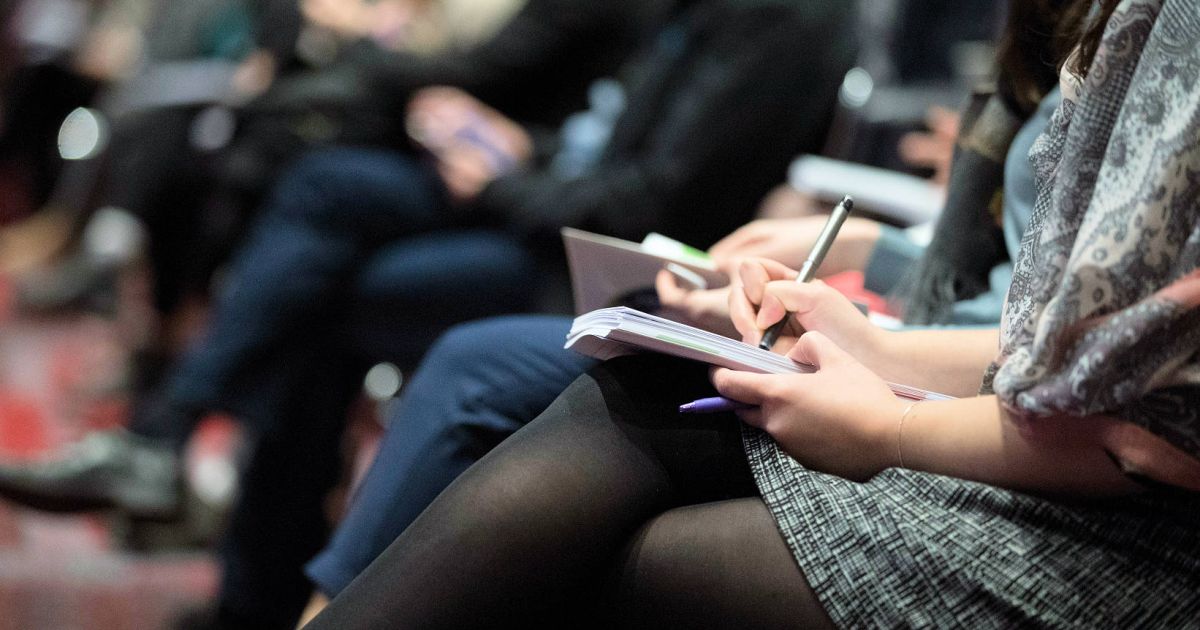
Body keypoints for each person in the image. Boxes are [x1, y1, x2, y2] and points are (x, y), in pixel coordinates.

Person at [305, 0, 1200, 626]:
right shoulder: (1101, 25)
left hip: (1125, 536)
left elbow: (1135, 421)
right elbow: (1044, 339)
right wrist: (861, 331)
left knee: (580, 512)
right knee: (615, 385)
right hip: (992, 392)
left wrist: (888, 417)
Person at [0, 1, 858, 627]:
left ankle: (254, 571)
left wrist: (504, 178)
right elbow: (599, 141)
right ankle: (211, 513)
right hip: (552, 208)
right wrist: (515, 150)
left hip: (614, 269)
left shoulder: (780, 21)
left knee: (326, 297)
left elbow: (648, 202)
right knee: (320, 189)